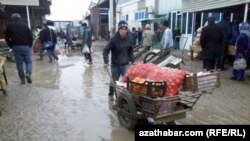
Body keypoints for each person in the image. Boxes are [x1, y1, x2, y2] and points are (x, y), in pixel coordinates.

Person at [103, 20, 134, 100]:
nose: (124, 31)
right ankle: (110, 95)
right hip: (115, 65)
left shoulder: (129, 37)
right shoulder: (113, 39)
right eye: (122, 29)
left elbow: (131, 50)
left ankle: (127, 98)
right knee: (113, 81)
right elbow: (106, 50)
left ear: (127, 30)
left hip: (125, 64)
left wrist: (133, 61)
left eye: (125, 29)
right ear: (118, 29)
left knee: (128, 81)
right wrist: (106, 62)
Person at [4, 13, 33, 84]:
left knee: (19, 63)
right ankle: (28, 73)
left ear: (12, 19)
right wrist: (29, 45)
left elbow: (6, 37)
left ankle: (22, 80)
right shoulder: (25, 26)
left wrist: (11, 45)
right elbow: (31, 37)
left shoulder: (9, 26)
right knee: (28, 62)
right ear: (20, 19)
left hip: (16, 46)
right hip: (25, 46)